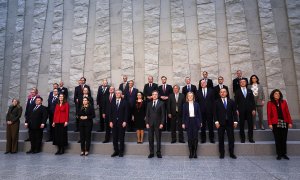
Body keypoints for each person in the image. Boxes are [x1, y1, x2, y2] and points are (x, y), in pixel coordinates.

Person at [267, 89, 293, 160]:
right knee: (277, 139)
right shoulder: (270, 103)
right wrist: (270, 123)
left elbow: (287, 112)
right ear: (273, 95)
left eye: (278, 94)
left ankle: (284, 154)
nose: (277, 95)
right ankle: (279, 154)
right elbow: (269, 114)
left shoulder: (284, 102)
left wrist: (290, 122)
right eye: (276, 93)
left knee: (284, 139)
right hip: (275, 123)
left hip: (284, 122)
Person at [214, 88, 238, 159]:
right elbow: (215, 113)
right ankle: (222, 153)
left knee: (231, 138)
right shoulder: (216, 102)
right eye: (221, 92)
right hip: (220, 123)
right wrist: (216, 122)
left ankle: (231, 153)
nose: (222, 93)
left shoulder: (231, 101)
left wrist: (235, 121)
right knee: (221, 139)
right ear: (219, 94)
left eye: (224, 92)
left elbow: (234, 112)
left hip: (229, 123)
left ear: (227, 93)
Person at [235, 79, 256, 143]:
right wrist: (236, 110)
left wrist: (253, 109)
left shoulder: (250, 91)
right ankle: (243, 138)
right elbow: (236, 102)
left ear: (246, 83)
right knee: (241, 125)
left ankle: (250, 138)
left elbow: (253, 101)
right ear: (240, 83)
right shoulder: (237, 91)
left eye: (244, 82)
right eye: (241, 82)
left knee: (250, 125)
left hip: (249, 110)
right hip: (241, 110)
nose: (243, 83)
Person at [182, 92, 202, 159]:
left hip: (195, 121)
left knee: (195, 138)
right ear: (187, 97)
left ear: (193, 97)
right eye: (189, 96)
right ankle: (191, 153)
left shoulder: (197, 104)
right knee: (190, 138)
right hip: (188, 122)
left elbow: (199, 114)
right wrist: (183, 123)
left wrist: (200, 122)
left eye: (191, 96)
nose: (190, 97)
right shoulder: (185, 105)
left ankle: (195, 153)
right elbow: (183, 115)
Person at [146, 90, 165, 158]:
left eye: (156, 94)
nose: (154, 95)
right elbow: (147, 114)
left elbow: (163, 115)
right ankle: (151, 153)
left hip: (158, 124)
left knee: (158, 139)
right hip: (150, 124)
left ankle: (158, 152)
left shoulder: (161, 103)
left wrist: (162, 123)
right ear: (152, 95)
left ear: (158, 95)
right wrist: (147, 123)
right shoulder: (149, 104)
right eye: (153, 94)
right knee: (150, 139)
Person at [110, 90, 128, 157]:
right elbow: (110, 112)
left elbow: (126, 113)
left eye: (119, 93)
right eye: (116, 93)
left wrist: (125, 121)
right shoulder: (112, 101)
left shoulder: (124, 102)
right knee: (114, 138)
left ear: (121, 94)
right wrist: (110, 121)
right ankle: (116, 151)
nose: (117, 94)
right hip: (114, 122)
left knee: (121, 138)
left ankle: (121, 152)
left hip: (121, 123)